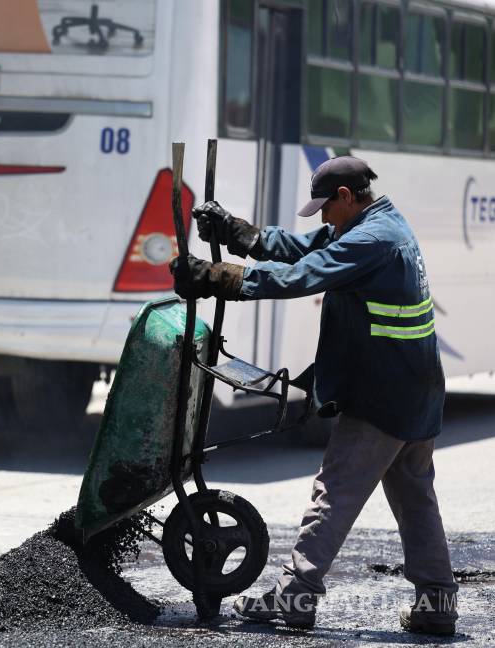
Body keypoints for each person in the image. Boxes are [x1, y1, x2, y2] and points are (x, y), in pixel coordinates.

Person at [171, 156, 458, 635]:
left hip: (384, 394)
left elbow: (301, 275)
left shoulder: (371, 240)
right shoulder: (378, 224)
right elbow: (302, 247)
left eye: (326, 207)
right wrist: (238, 232)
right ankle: (438, 604)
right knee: (415, 496)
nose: (323, 217)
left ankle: (296, 594)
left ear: (346, 196)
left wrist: (216, 277)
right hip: (417, 390)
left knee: (335, 490)